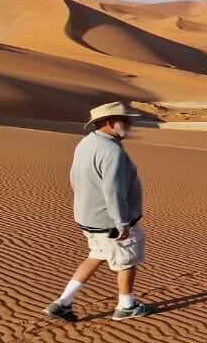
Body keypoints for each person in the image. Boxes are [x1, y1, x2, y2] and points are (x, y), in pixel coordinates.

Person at [46, 101, 155, 322]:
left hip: (89, 218)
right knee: (127, 259)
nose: (129, 125)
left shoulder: (86, 143)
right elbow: (113, 191)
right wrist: (121, 223)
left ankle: (63, 302)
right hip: (110, 220)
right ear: (110, 122)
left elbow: (74, 179)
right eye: (125, 121)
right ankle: (126, 306)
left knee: (97, 254)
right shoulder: (112, 151)